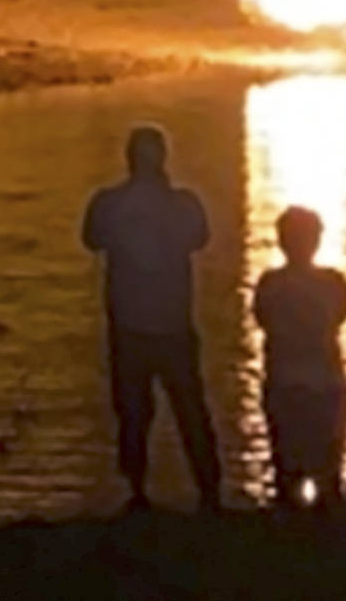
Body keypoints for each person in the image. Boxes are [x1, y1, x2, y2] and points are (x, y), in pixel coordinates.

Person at [80, 124, 221, 513]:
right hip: (173, 324)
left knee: (133, 412)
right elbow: (201, 238)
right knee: (190, 408)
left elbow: (91, 238)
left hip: (129, 326)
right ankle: (209, 490)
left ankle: (137, 491)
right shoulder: (183, 205)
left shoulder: (109, 203)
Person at [253, 206, 346, 510]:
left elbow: (263, 318)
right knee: (328, 468)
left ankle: (289, 534)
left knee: (286, 466)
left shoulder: (270, 283)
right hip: (325, 383)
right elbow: (342, 313)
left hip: (285, 382)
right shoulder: (333, 282)